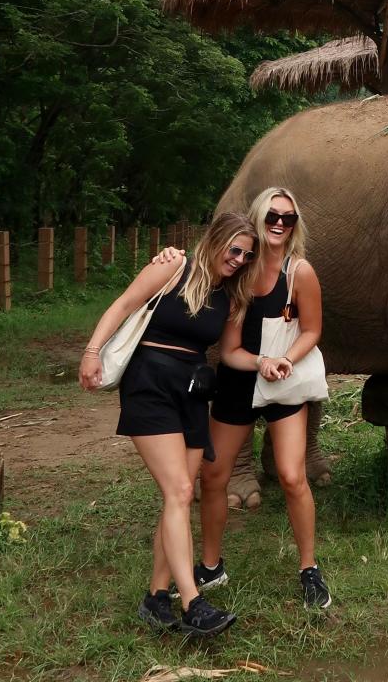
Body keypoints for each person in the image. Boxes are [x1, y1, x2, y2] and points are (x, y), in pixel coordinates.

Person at [79, 212, 260, 637]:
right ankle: (192, 601)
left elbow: (231, 352)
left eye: (247, 256)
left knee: (177, 495)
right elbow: (122, 304)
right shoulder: (173, 265)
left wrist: (263, 362)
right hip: (150, 383)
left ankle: (155, 597)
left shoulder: (231, 296)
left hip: (195, 391)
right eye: (234, 250)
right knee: (179, 491)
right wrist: (91, 352)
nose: (238, 260)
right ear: (215, 241)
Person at [156, 187, 331, 609]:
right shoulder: (238, 271)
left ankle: (309, 568)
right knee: (213, 478)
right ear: (258, 216)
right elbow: (230, 349)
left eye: (288, 218)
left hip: (284, 383)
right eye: (272, 214)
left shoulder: (299, 272)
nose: (279, 223)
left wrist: (283, 360)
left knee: (292, 476)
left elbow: (312, 329)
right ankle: (211, 566)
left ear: (294, 226)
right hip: (239, 380)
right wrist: (168, 256)